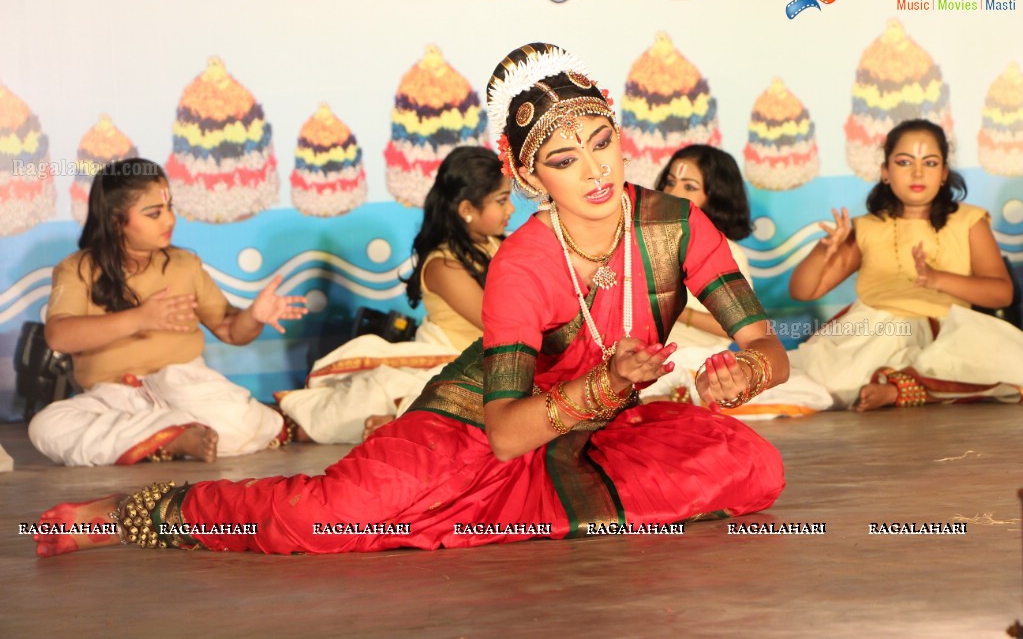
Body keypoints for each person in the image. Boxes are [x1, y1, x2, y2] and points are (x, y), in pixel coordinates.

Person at [33, 43, 786, 558]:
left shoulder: (674, 226)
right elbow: (505, 434)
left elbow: (766, 348)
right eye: (563, 158)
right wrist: (606, 382)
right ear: (528, 178)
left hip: (600, 427)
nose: (592, 171)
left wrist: (743, 374)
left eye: (601, 142)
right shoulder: (525, 263)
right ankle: (145, 515)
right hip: (482, 422)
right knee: (325, 521)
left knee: (752, 466)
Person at [27, 158, 309, 467]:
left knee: (235, 418)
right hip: (113, 398)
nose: (169, 220)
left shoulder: (184, 265)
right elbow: (58, 336)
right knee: (46, 426)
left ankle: (160, 438)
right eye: (154, 213)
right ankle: (173, 436)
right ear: (115, 221)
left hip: (187, 388)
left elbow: (230, 330)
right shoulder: (76, 269)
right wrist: (139, 318)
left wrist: (254, 316)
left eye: (169, 207)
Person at [279, 146, 515, 443]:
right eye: (502, 201)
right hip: (450, 360)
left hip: (485, 360)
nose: (512, 210)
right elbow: (500, 323)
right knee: (448, 401)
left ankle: (396, 421)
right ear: (467, 209)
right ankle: (389, 422)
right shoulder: (444, 264)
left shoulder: (495, 244)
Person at [788, 118, 1022, 410]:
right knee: (824, 383)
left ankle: (899, 390)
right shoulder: (866, 227)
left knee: (1002, 370)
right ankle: (900, 386)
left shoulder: (970, 221)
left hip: (948, 330)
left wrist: (937, 279)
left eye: (931, 163)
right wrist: (823, 250)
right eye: (904, 162)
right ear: (886, 172)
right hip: (874, 331)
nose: (918, 172)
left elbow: (1002, 293)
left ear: (944, 173)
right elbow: (803, 291)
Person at [641, 146, 832, 414]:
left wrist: (677, 311)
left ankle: (679, 402)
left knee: (805, 390)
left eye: (689, 186)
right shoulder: (642, 242)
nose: (673, 193)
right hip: (644, 357)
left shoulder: (725, 253)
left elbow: (740, 328)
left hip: (697, 357)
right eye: (670, 182)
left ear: (716, 197)